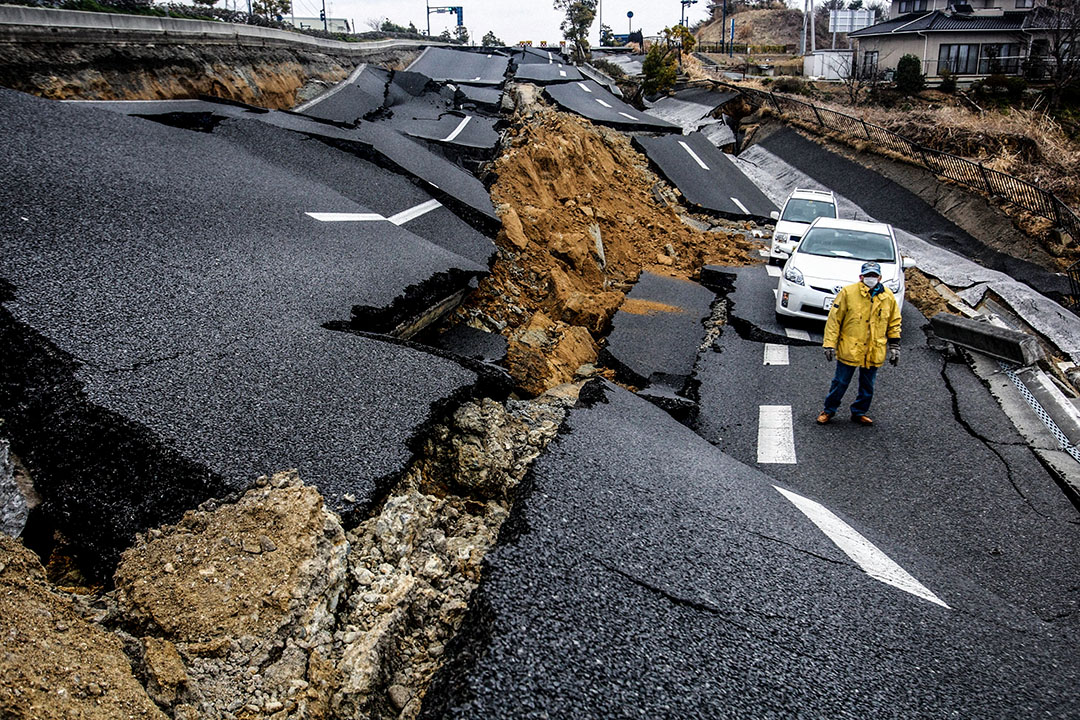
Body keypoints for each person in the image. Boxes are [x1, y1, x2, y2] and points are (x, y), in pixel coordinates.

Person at [816, 261, 901, 426]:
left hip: (873, 349)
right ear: (861, 277)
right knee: (840, 383)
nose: (871, 278)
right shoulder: (848, 293)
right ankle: (828, 410)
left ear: (880, 277)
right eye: (868, 275)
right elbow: (834, 320)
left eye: (874, 276)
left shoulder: (888, 296)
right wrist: (829, 344)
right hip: (850, 348)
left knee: (868, 386)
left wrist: (895, 345)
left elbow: (894, 321)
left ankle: (859, 412)